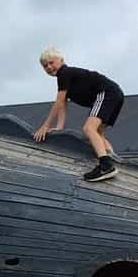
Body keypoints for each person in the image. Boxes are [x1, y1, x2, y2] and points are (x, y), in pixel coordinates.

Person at [32, 48, 125, 182]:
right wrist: (59, 127)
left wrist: (45, 126)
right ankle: (114, 159)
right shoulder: (67, 79)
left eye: (51, 62)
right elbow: (63, 104)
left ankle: (106, 165)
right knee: (98, 133)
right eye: (45, 66)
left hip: (106, 92)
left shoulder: (64, 73)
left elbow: (58, 102)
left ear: (61, 61)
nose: (49, 67)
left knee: (89, 128)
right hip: (115, 93)